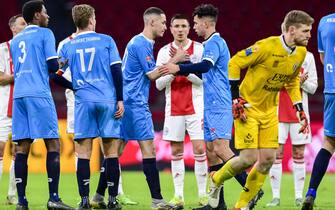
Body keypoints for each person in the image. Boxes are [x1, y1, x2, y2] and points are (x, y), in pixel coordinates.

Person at [200, 10, 313, 210]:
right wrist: (236, 98)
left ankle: (241, 206)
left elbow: (292, 80)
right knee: (248, 159)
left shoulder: (301, 52)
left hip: (270, 111)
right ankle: (216, 178)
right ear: (292, 30)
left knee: (268, 159)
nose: (309, 35)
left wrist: (299, 108)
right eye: (306, 30)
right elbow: (234, 63)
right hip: (247, 108)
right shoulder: (266, 46)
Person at [163, 4, 261, 210]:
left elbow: (205, 66)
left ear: (206, 23)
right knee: (211, 152)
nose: (195, 28)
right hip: (209, 105)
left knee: (220, 147)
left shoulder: (215, 43)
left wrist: (178, 67)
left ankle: (251, 188)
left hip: (219, 103)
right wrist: (186, 64)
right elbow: (204, 72)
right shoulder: (209, 44)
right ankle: (218, 203)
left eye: (196, 23)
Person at [58, 4, 124, 210]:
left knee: (83, 153)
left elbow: (55, 75)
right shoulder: (106, 40)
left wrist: (74, 87)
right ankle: (112, 200)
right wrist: (120, 99)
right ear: (92, 20)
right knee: (111, 151)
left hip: (83, 102)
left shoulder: (68, 45)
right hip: (107, 100)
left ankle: (85, 201)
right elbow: (116, 71)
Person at [10, 1, 73, 210]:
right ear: (37, 15)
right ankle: (53, 198)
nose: (48, 16)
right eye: (45, 12)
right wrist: (65, 62)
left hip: (19, 95)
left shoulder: (15, 40)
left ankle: (21, 202)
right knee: (53, 144)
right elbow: (53, 67)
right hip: (38, 93)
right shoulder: (46, 34)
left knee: (22, 148)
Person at [122, 7, 178, 210]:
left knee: (116, 151)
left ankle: (100, 196)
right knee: (149, 149)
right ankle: (157, 201)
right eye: (163, 23)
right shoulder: (142, 43)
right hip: (136, 103)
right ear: (151, 22)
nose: (165, 26)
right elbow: (152, 75)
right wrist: (175, 60)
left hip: (126, 100)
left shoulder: (137, 42)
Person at [155, 14, 207, 208]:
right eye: (176, 26)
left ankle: (202, 195)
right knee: (176, 151)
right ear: (170, 28)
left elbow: (205, 81)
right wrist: (172, 70)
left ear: (188, 28)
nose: (180, 29)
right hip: (173, 109)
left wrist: (182, 68)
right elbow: (159, 85)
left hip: (196, 108)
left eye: (184, 26)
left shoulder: (200, 49)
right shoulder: (163, 52)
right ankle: (178, 196)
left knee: (200, 149)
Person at [267, 51, 318, 207]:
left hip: (299, 115)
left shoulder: (308, 57)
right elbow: (268, 84)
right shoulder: (275, 53)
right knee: (277, 153)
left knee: (298, 153)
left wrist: (301, 83)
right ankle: (275, 196)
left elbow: (313, 88)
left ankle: (298, 196)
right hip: (277, 113)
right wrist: (292, 80)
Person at [301, 13, 335, 210]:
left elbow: (324, 58)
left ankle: (311, 192)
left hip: (331, 90)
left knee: (329, 143)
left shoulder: (324, 21)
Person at [0, 14, 26, 205]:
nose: (26, 26)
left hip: (23, 109)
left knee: (19, 152)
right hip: (4, 108)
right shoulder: (2, 49)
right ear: (13, 28)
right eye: (22, 24)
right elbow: (1, 78)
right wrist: (23, 74)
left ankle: (12, 194)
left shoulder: (31, 50)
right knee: (0, 151)